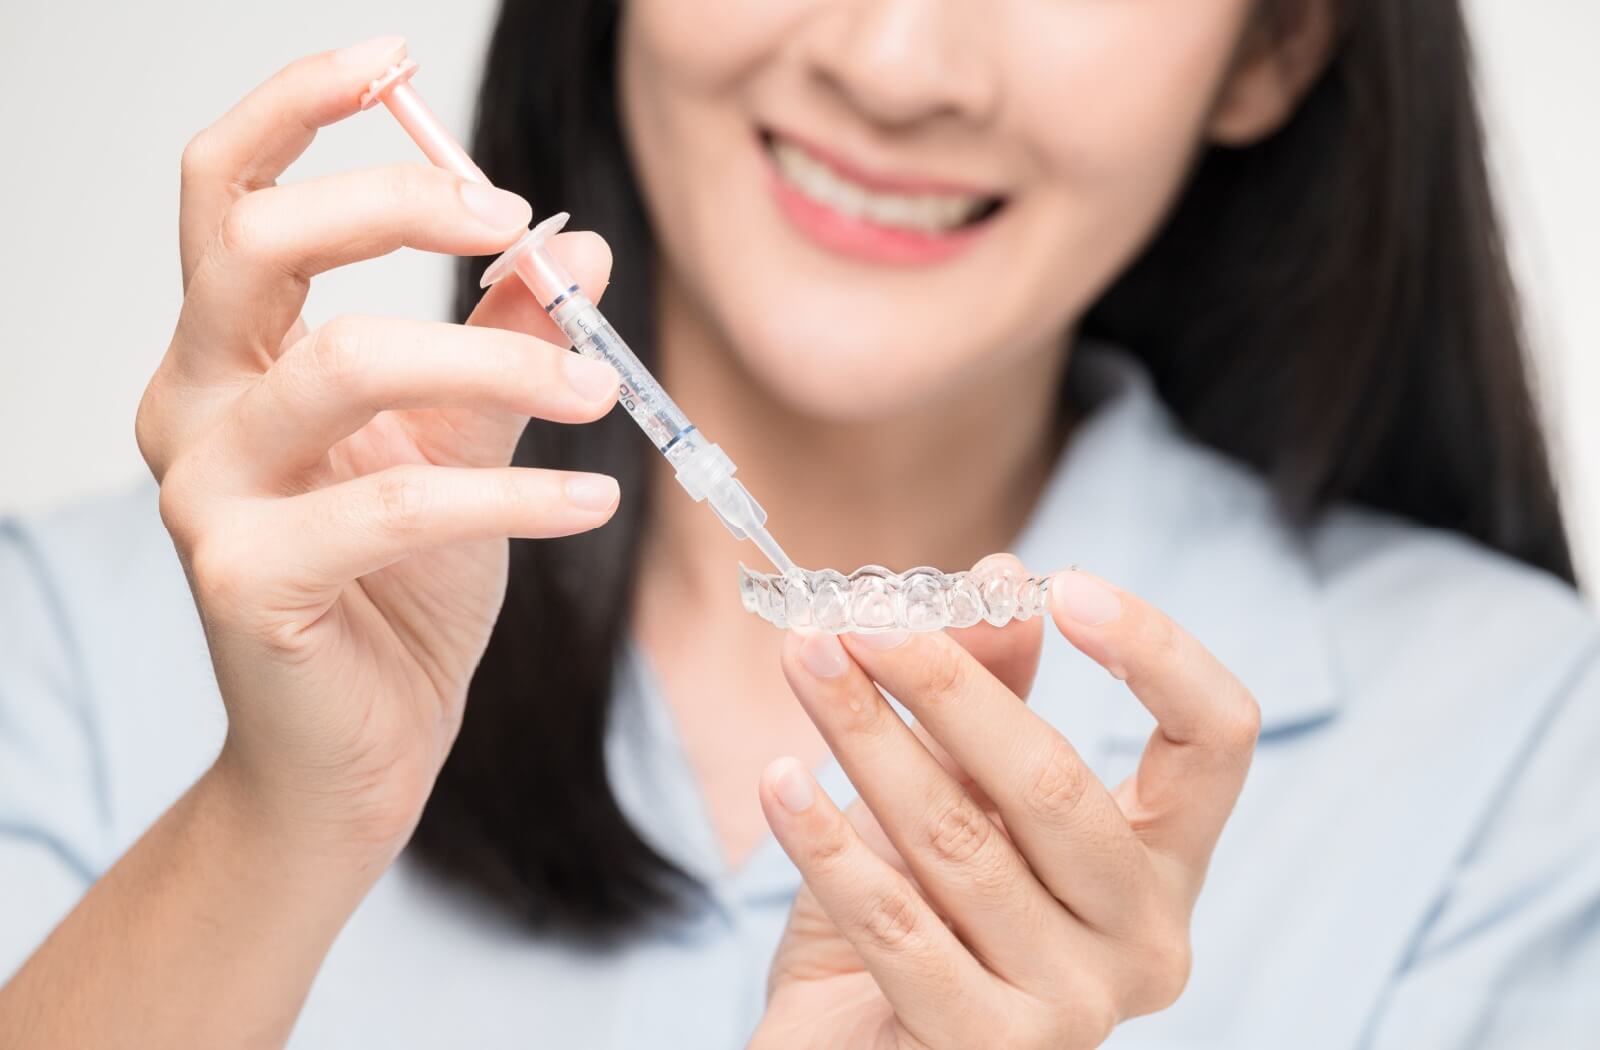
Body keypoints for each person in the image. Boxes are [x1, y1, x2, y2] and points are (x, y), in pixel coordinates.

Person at [2, 0, 1596, 1046]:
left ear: (1278, 46)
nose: (894, 60)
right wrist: (280, 816)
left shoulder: (1510, 746)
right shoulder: (77, 644)